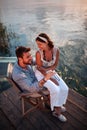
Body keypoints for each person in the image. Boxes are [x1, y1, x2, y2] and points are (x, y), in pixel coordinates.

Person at [35, 33, 69, 122]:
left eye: (40, 44)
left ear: (46, 42)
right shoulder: (38, 53)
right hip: (40, 74)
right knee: (56, 89)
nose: (38, 46)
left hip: (50, 72)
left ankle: (58, 104)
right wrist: (51, 78)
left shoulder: (56, 50)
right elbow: (39, 68)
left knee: (65, 88)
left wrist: (50, 72)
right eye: (37, 44)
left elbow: (55, 65)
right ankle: (57, 112)